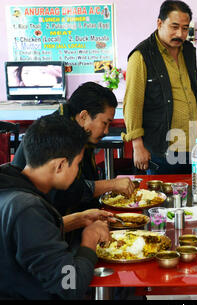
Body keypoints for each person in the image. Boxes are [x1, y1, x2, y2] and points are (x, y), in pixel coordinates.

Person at [0, 114, 112, 299]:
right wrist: (89, 240)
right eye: (76, 164)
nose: (77, 172)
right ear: (60, 165)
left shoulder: (9, 184)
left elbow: (23, 239)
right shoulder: (27, 209)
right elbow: (69, 285)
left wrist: (78, 219)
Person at [13, 82, 135, 217]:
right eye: (105, 123)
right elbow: (66, 193)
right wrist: (111, 184)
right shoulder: (58, 133)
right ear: (83, 116)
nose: (106, 131)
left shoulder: (75, 129)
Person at [122, 0, 197, 174]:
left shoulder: (188, 50)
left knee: (194, 196)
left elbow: (195, 91)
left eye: (185, 28)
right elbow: (132, 103)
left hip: (193, 147)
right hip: (161, 148)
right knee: (164, 199)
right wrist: (137, 145)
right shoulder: (141, 56)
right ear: (159, 23)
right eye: (174, 27)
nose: (180, 34)